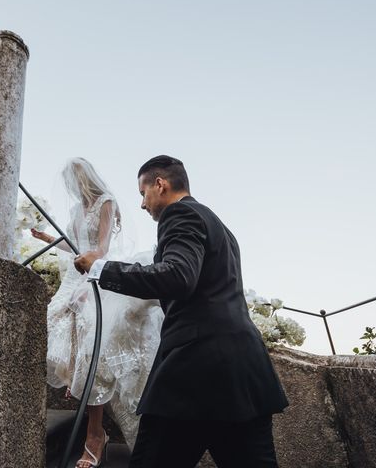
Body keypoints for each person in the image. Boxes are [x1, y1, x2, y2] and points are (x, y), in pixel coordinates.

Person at [74, 155, 289, 468]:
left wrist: (100, 268)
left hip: (194, 371)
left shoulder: (180, 214)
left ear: (160, 184)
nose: (143, 204)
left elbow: (177, 275)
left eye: (143, 193)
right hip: (243, 374)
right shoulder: (220, 227)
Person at [32, 158, 163, 468]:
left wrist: (89, 273)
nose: (71, 189)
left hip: (93, 273)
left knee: (93, 339)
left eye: (73, 182)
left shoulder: (105, 202)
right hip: (73, 275)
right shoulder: (77, 211)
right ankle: (76, 384)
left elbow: (101, 248)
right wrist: (48, 240)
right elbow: (72, 244)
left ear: (83, 179)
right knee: (53, 325)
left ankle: (95, 433)